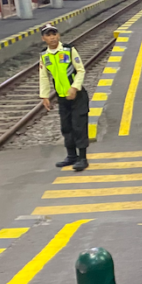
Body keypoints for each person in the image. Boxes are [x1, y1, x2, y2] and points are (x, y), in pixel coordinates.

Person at [38, 23, 89, 172]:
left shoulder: (69, 50)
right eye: (48, 35)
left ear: (58, 35)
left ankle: (82, 158)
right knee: (66, 127)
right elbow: (44, 76)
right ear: (43, 39)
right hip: (62, 97)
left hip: (78, 96)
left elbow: (81, 70)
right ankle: (71, 156)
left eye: (54, 34)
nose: (52, 37)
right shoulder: (44, 56)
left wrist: (74, 87)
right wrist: (44, 96)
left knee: (79, 126)